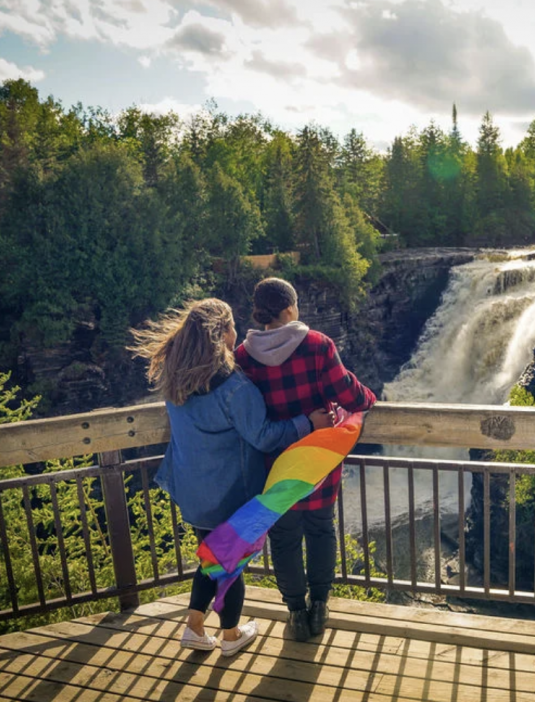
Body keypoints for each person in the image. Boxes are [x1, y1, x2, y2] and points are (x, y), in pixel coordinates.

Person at [130, 298, 332, 656]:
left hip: (190, 488)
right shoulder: (234, 387)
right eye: (232, 326)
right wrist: (308, 423)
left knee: (214, 557)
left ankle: (194, 626)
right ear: (222, 332)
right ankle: (231, 635)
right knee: (228, 565)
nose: (236, 333)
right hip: (227, 492)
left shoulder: (175, 377)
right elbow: (265, 436)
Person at [236, 278, 376, 642]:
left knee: (283, 538)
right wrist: (369, 397)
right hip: (317, 460)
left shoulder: (242, 356)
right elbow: (349, 393)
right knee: (320, 529)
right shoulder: (317, 346)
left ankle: (296, 613)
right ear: (289, 309)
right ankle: (320, 607)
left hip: (276, 464)